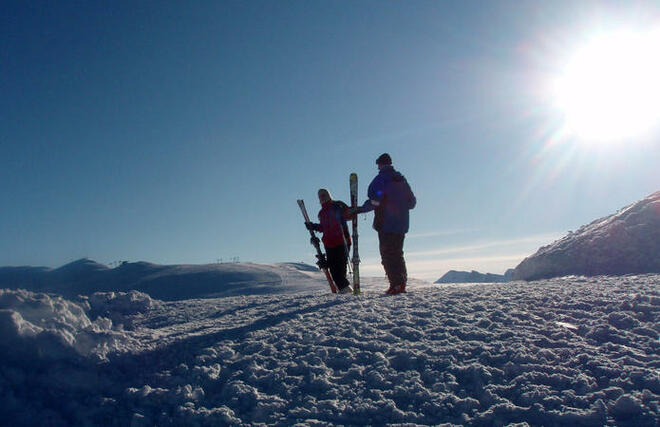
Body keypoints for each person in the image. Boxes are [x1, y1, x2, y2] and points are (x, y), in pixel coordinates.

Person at [355, 153, 416, 294]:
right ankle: (401, 283)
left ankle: (395, 285)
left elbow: (375, 200)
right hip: (401, 224)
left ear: (380, 164)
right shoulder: (401, 179)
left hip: (386, 223)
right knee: (398, 253)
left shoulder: (381, 179)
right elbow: (412, 203)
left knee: (387, 254)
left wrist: (361, 209)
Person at [306, 189, 354, 294]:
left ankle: (347, 292)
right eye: (320, 196)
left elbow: (350, 215)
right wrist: (313, 226)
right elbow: (324, 227)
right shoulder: (322, 213)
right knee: (334, 271)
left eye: (324, 195)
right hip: (329, 244)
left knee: (339, 271)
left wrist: (346, 210)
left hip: (342, 242)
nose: (322, 197)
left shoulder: (337, 205)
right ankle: (345, 292)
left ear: (329, 195)